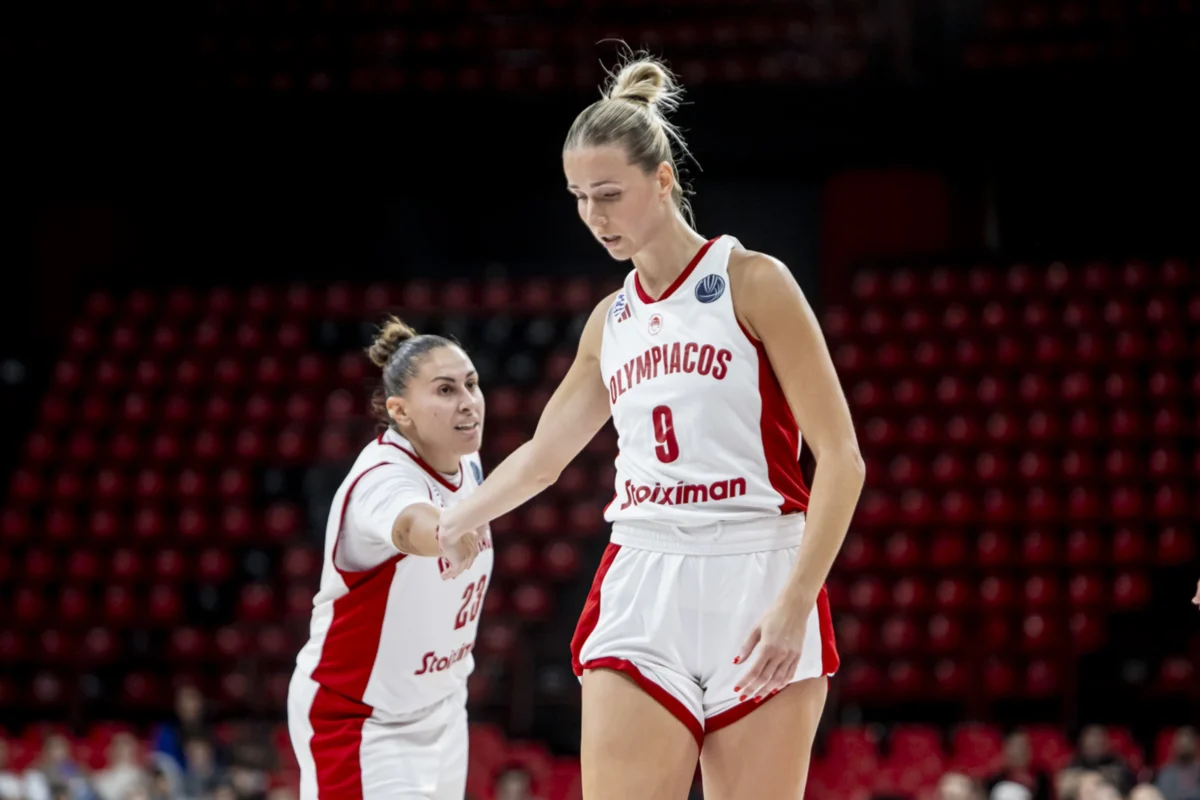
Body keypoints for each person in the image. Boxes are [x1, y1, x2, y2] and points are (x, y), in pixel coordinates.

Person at [435, 51, 864, 799]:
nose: (593, 217)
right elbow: (542, 457)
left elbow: (842, 459)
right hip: (644, 573)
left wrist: (797, 601)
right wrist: (452, 521)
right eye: (579, 198)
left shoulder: (753, 282)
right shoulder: (611, 321)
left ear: (663, 180)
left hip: (758, 572)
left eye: (609, 194)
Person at [287, 316, 493, 799]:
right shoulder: (381, 479)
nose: (468, 402)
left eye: (471, 384)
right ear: (400, 411)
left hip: (443, 708)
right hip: (361, 722)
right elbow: (408, 525)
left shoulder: (465, 460)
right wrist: (444, 533)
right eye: (445, 390)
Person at [986, 731, 1052, 800]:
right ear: (1004, 749)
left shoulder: (1042, 779)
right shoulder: (993, 780)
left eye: (1023, 746)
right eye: (1014, 746)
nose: (1018, 752)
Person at [1071, 726, 1135, 794]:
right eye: (1092, 742)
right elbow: (1067, 783)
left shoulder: (1114, 760)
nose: (1095, 746)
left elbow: (1127, 781)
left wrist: (1101, 778)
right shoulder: (1076, 762)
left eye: (1099, 742)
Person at [1156, 727, 1200, 800]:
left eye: (1187, 743)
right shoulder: (1166, 774)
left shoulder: (1197, 771)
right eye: (1182, 744)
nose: (1185, 747)